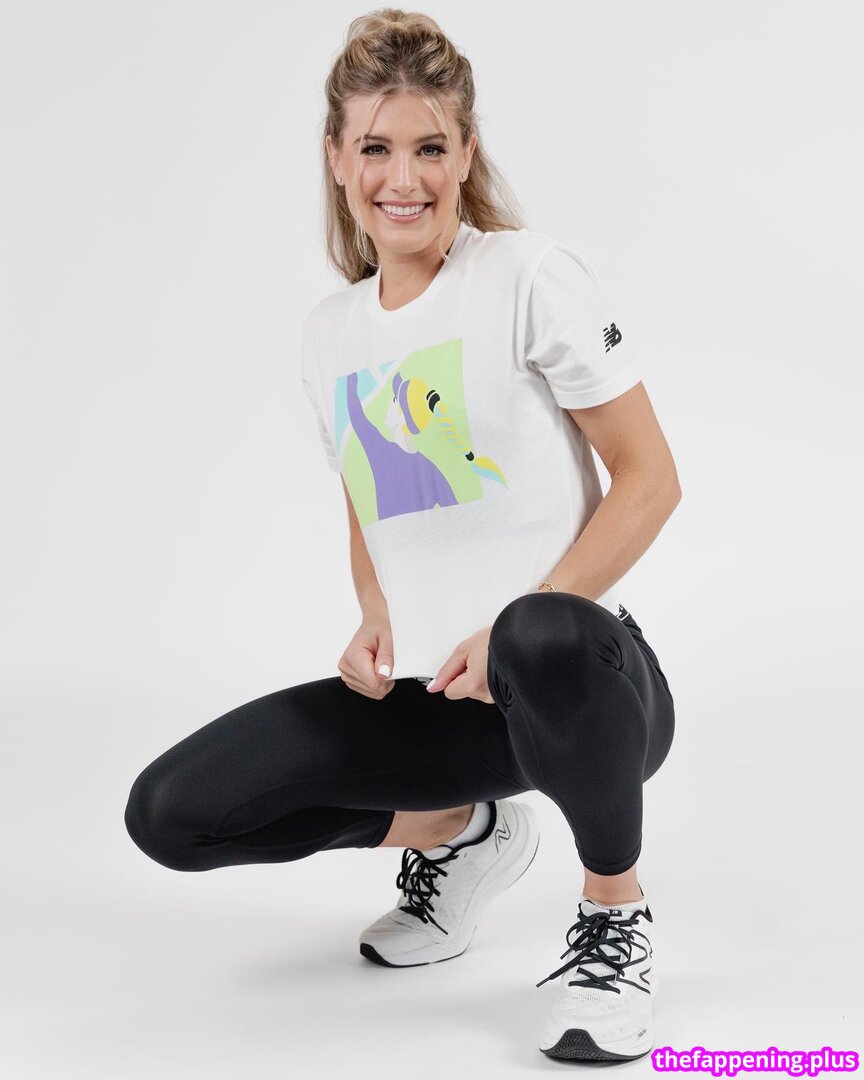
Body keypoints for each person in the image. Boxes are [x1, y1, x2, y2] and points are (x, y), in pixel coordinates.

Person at [124, 8, 680, 1064]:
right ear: (336, 158)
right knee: (172, 813)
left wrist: (521, 618)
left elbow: (651, 479)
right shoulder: (329, 334)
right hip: (442, 708)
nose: (404, 178)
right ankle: (464, 832)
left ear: (466, 153)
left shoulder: (528, 276)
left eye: (430, 147)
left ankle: (615, 915)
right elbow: (366, 494)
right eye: (375, 148)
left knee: (539, 631)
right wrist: (375, 612)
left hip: (586, 690)